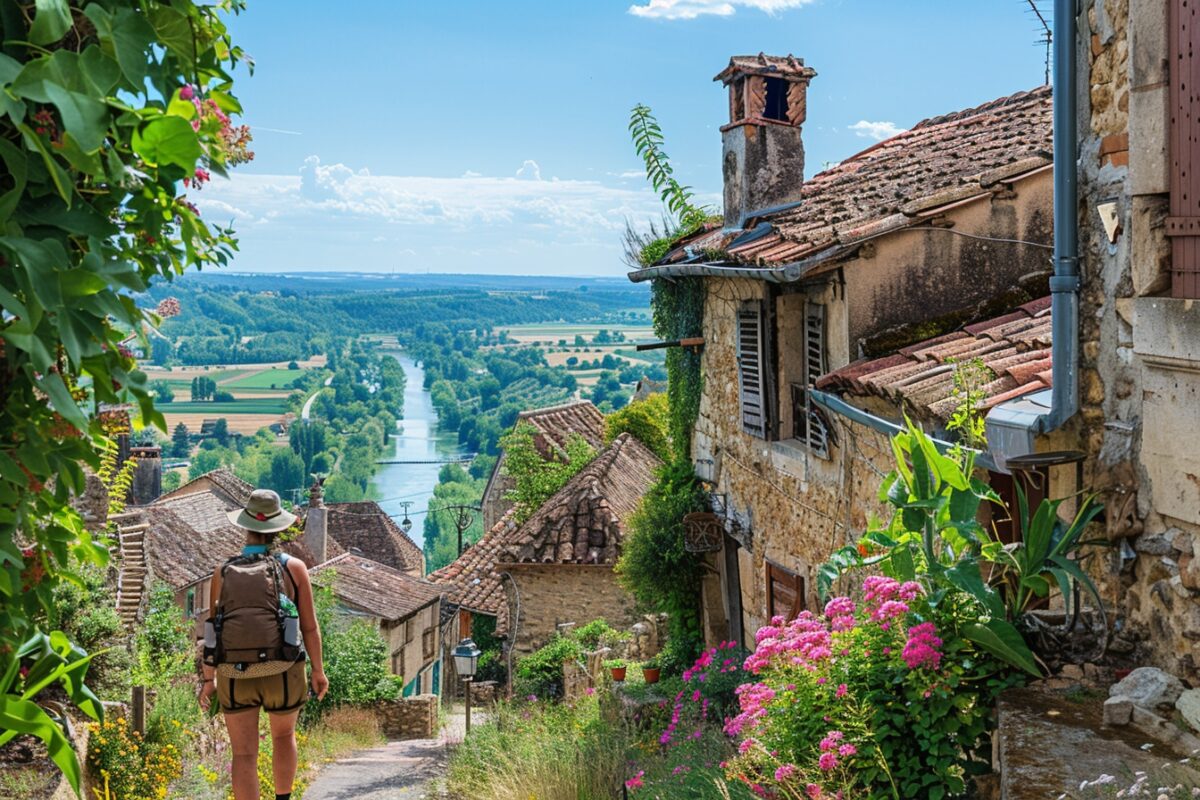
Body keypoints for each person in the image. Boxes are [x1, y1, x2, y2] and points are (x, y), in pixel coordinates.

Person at [198, 489, 329, 800]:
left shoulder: (223, 571)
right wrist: (318, 671)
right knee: (283, 737)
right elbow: (309, 627)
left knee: (243, 755)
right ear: (280, 529)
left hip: (234, 674)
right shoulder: (294, 568)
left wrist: (208, 679)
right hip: (283, 671)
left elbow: (213, 629)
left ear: (245, 526)